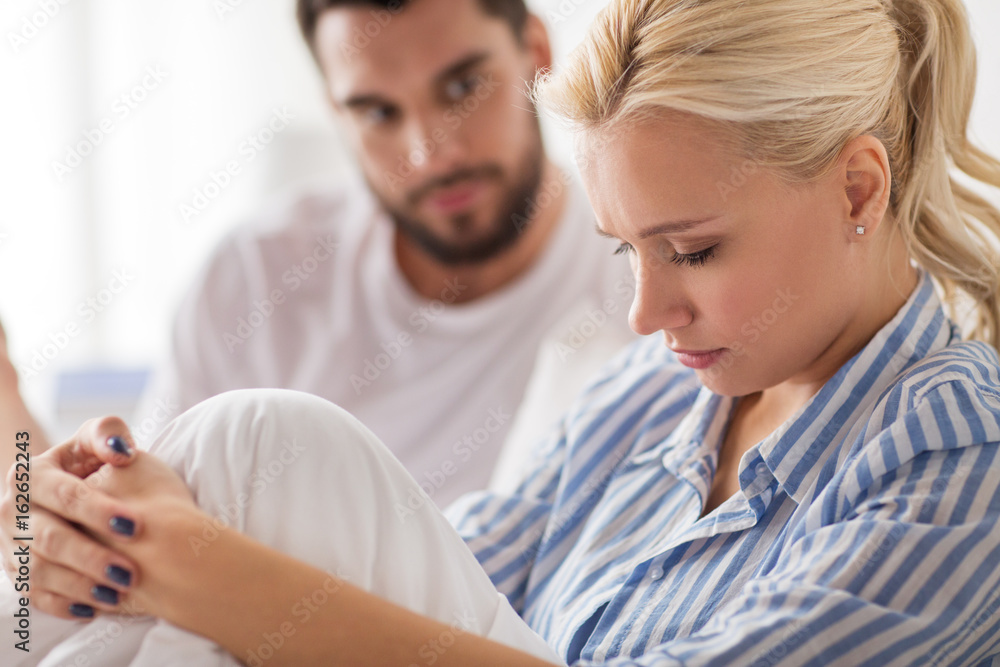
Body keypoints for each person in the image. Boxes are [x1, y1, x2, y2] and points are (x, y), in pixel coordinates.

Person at [4, 0, 1000, 664]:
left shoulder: (955, 442)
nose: (644, 315)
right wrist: (113, 536)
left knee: (260, 446)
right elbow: (412, 579)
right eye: (625, 253)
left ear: (856, 189)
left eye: (691, 251)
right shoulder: (648, 397)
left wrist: (197, 564)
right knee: (229, 464)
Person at [0, 0, 636, 507]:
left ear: (537, 52)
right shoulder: (254, 277)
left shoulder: (648, 282)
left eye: (463, 87)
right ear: (335, 111)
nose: (430, 153)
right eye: (378, 112)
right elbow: (142, 526)